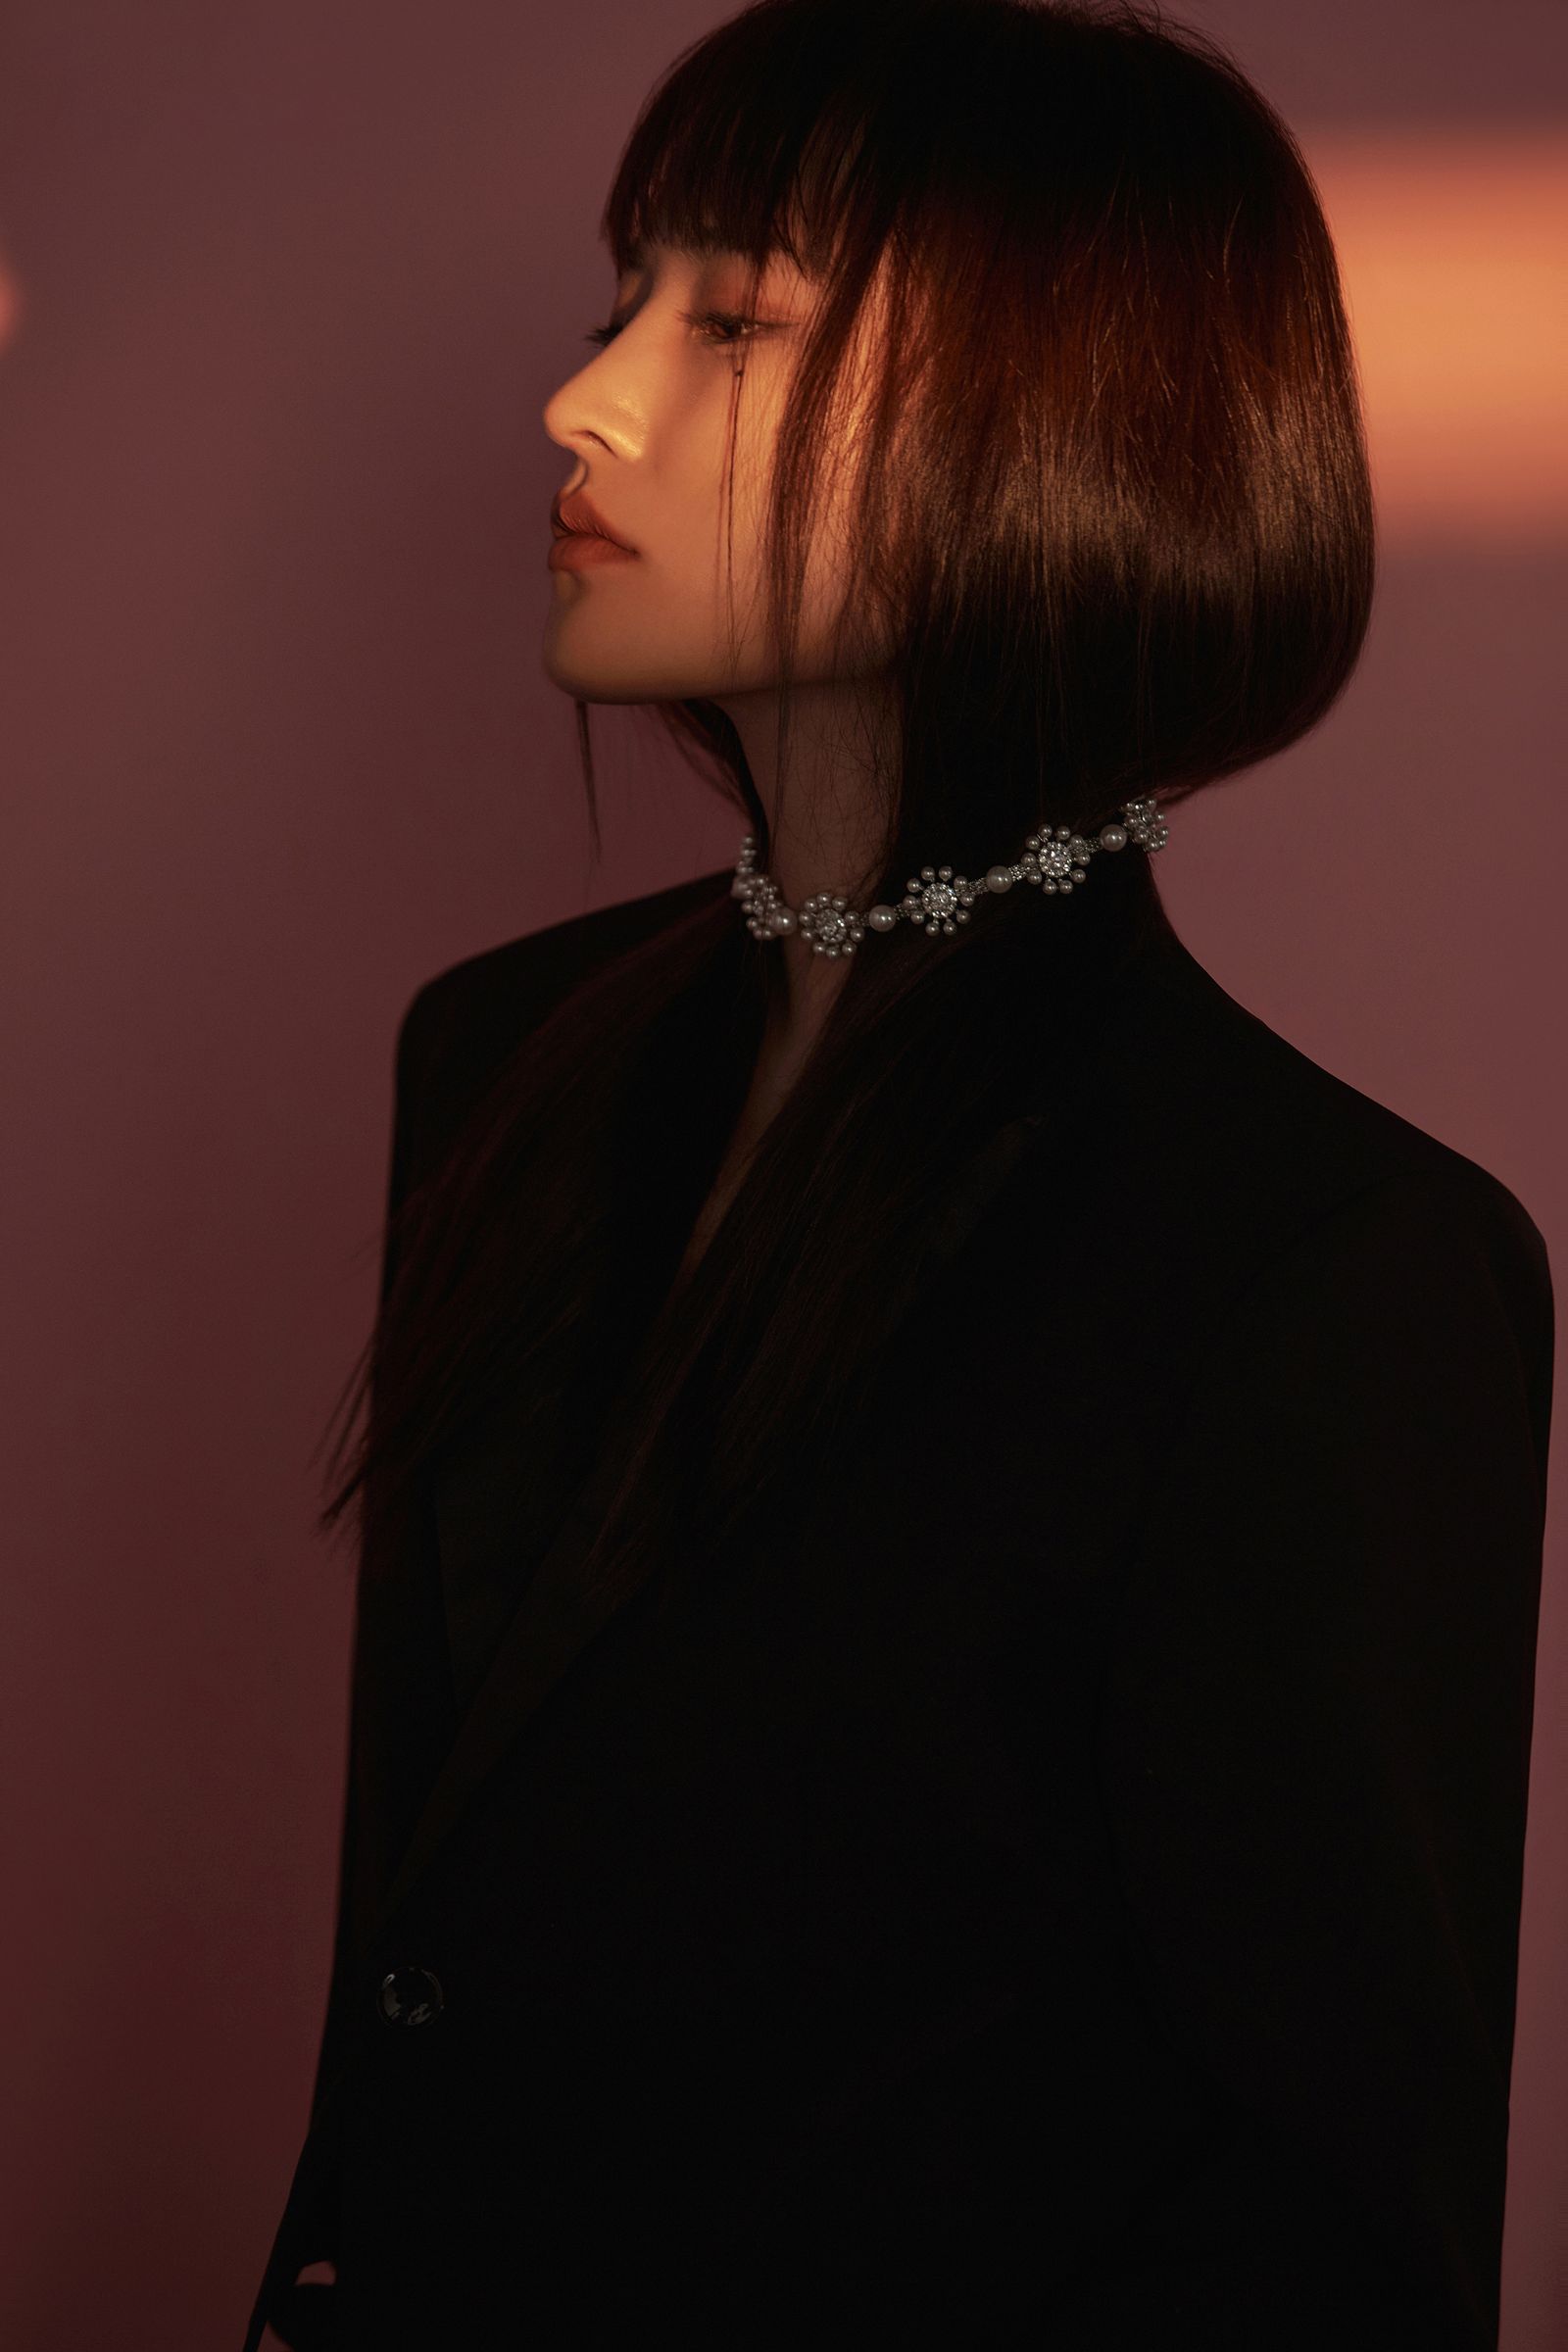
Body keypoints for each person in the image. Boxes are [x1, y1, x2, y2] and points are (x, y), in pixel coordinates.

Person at [241, 2, 1554, 2345]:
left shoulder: (1322, 1264)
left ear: (1055, 420)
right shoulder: (505, 1050)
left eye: (732, 324)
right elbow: (449, 1906)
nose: (585, 401)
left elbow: (1330, 2249)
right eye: (620, 300)